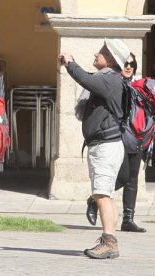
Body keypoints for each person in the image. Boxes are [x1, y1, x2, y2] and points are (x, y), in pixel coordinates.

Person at [58, 38, 130, 259]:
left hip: (105, 146)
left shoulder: (109, 80)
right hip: (104, 145)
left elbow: (84, 79)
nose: (95, 55)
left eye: (99, 53)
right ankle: (110, 240)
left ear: (109, 59)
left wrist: (70, 63)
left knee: (101, 194)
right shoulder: (110, 80)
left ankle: (109, 242)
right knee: (105, 195)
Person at [86, 53, 146, 233]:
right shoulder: (113, 82)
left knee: (133, 178)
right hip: (117, 138)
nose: (128, 67)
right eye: (125, 64)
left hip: (137, 136)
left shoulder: (140, 86)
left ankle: (128, 219)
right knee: (123, 177)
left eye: (132, 64)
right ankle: (95, 199)